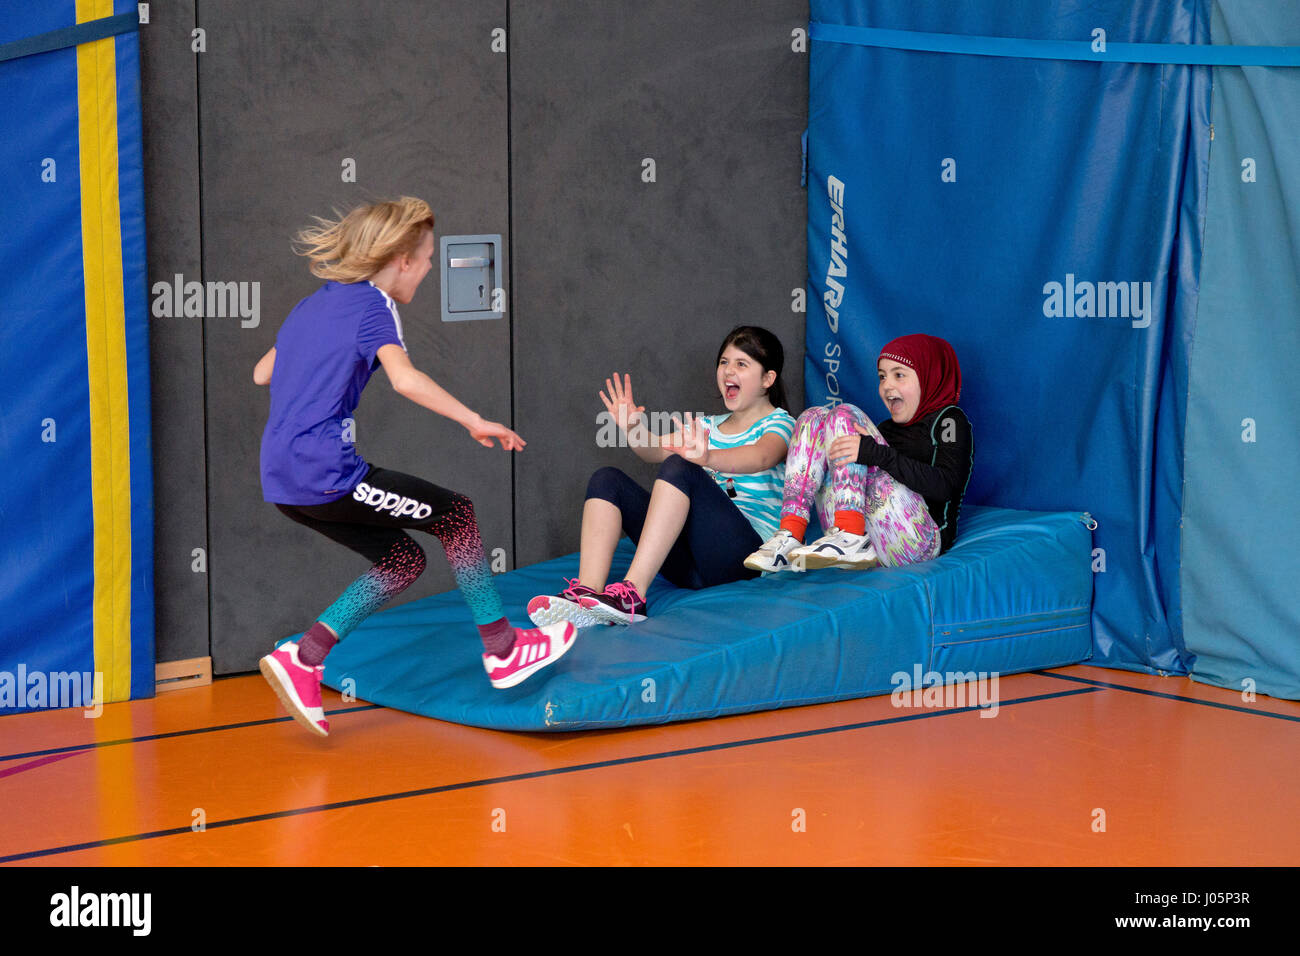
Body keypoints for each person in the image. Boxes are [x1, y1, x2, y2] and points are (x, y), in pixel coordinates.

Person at [254, 197, 575, 737]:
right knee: (456, 516)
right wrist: (474, 419)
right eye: (425, 258)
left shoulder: (311, 306)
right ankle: (503, 648)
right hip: (325, 473)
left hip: (283, 482)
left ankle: (305, 657)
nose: (428, 269)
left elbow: (264, 372)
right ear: (401, 258)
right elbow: (403, 379)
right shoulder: (373, 306)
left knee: (402, 560)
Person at [528, 326, 796, 627]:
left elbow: (762, 456)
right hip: (690, 564)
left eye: (741, 364)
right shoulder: (708, 426)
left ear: (767, 379)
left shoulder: (780, 423)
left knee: (681, 467)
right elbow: (653, 450)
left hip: (744, 559)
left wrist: (708, 458)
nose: (728, 371)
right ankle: (586, 596)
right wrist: (632, 429)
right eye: (723, 362)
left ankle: (632, 595)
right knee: (607, 480)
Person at [745, 333, 972, 572]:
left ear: (929, 376)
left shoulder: (949, 420)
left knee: (844, 415)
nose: (887, 385)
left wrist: (876, 454)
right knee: (813, 417)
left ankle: (850, 534)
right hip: (869, 541)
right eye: (882, 377)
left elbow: (947, 485)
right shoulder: (885, 430)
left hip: (919, 542)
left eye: (899, 375)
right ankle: (791, 533)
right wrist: (872, 453)